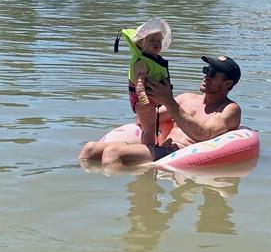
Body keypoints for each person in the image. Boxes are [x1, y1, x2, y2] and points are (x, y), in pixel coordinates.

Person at [78, 54, 242, 170]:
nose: (206, 76)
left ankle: (106, 202)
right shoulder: (186, 98)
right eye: (206, 70)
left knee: (113, 153)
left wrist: (168, 100)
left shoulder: (230, 109)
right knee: (90, 149)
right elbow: (141, 121)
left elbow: (205, 133)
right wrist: (145, 98)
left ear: (227, 84)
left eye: (213, 74)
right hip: (160, 148)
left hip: (178, 154)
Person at [114, 18, 172, 148]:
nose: (156, 43)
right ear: (141, 43)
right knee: (150, 128)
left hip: (151, 100)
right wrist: (144, 99)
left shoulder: (154, 59)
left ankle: (151, 144)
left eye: (159, 41)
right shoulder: (142, 62)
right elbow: (139, 83)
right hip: (142, 101)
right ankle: (148, 150)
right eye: (151, 40)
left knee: (152, 125)